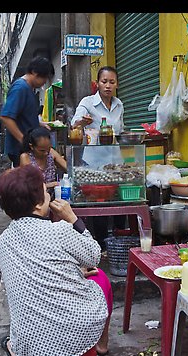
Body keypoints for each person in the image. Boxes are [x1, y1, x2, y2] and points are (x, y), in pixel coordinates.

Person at [0, 165, 113, 356]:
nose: (49, 196)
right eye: (46, 192)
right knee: (101, 277)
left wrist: (73, 271)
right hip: (76, 330)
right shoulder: (59, 230)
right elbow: (94, 256)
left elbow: (32, 274)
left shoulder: (3, 241)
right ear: (39, 204)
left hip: (32, 341)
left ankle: (14, 348)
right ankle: (101, 344)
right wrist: (73, 218)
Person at [70, 66, 127, 244]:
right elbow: (74, 123)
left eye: (112, 82)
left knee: (118, 201)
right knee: (99, 201)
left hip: (115, 160)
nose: (108, 86)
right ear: (97, 83)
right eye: (104, 81)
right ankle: (101, 243)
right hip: (94, 162)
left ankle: (119, 240)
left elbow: (121, 130)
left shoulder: (119, 105)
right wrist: (81, 121)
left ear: (116, 84)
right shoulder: (88, 102)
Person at [0, 56, 55, 167]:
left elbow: (23, 116)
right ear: (34, 72)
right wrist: (23, 140)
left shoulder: (29, 88)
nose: (44, 82)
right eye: (44, 78)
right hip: (20, 149)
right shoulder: (20, 88)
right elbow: (6, 117)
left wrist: (39, 123)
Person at [20, 126, 67, 199]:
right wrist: (49, 185)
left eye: (48, 149)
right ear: (32, 146)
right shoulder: (25, 157)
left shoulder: (51, 153)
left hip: (51, 198)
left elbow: (68, 168)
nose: (46, 153)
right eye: (42, 150)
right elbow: (29, 185)